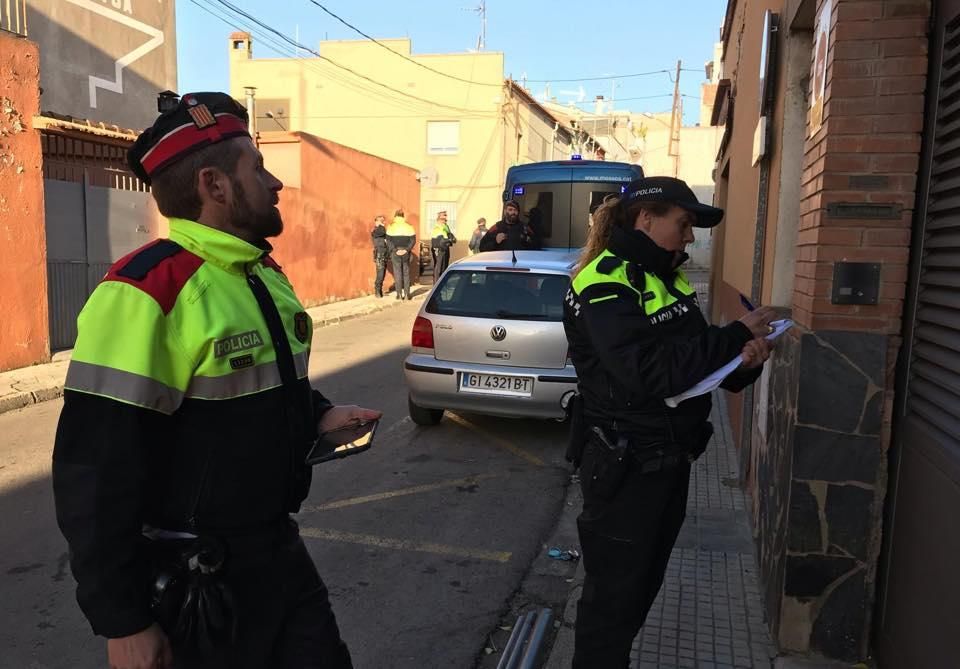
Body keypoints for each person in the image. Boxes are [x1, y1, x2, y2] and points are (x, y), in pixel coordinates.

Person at [51, 92, 382, 669]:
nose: (275, 183)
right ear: (215, 184)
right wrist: (123, 620)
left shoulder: (264, 275)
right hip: (197, 586)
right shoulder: (146, 290)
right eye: (258, 168)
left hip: (278, 557)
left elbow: (266, 384)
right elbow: (95, 467)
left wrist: (319, 413)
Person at [563, 176, 776, 668]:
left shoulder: (668, 279)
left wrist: (746, 361)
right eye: (683, 224)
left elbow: (702, 367)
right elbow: (650, 374)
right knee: (610, 607)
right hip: (624, 467)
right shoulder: (605, 280)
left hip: (668, 461)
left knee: (639, 593)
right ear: (645, 218)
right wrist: (734, 333)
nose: (690, 238)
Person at [386, 207, 416, 300]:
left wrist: (395, 250)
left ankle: (399, 294)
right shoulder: (409, 226)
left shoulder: (391, 226)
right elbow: (413, 240)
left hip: (395, 252)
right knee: (406, 273)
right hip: (406, 252)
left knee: (397, 273)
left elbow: (388, 241)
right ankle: (407, 294)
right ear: (403, 216)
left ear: (395, 216)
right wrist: (406, 249)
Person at [430, 210, 456, 277]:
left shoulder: (445, 226)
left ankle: (442, 282)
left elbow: (449, 235)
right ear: (439, 219)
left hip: (445, 247)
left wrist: (452, 239)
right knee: (439, 267)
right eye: (443, 218)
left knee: (444, 266)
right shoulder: (437, 227)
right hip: (439, 248)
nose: (445, 219)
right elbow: (439, 239)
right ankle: (437, 283)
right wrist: (449, 240)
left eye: (445, 218)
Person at [371, 214, 389, 297]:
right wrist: (381, 225)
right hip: (379, 254)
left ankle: (379, 290)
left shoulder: (380, 230)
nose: (384, 223)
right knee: (380, 272)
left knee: (383, 272)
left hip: (383, 253)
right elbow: (382, 232)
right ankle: (377, 291)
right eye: (382, 221)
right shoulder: (378, 230)